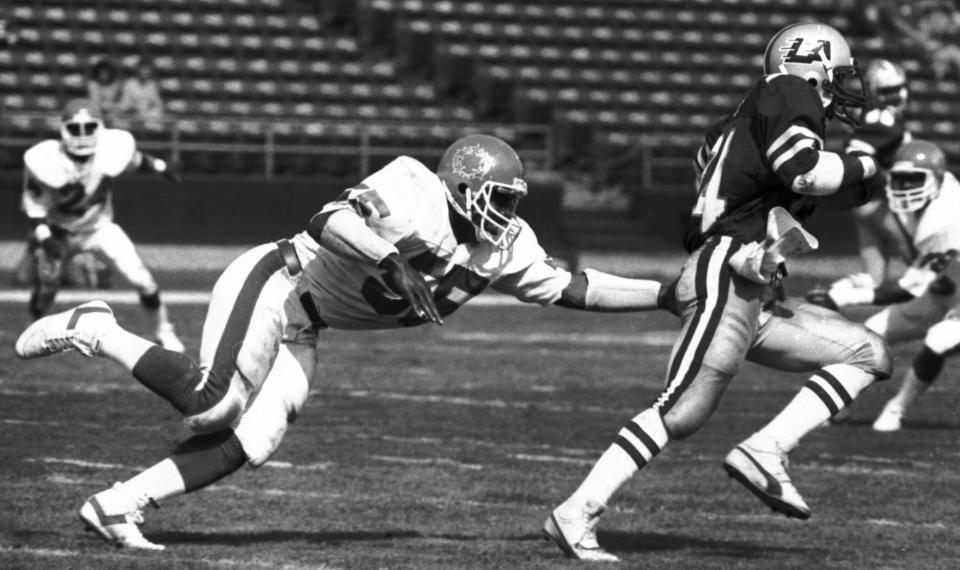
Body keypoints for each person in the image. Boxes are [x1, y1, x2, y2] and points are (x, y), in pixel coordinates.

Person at [15, 134, 674, 550]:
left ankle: (116, 506)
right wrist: (390, 258)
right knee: (210, 404)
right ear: (463, 184)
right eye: (497, 197)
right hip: (278, 278)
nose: (506, 213)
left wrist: (666, 294)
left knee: (255, 440)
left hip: (308, 319)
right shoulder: (412, 186)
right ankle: (97, 328)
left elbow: (574, 289)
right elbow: (326, 218)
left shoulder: (504, 245)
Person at [543, 22, 892, 562]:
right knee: (682, 410)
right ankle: (577, 511)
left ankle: (766, 449)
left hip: (757, 285)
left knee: (869, 353)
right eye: (838, 73)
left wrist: (864, 175)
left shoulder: (742, 120)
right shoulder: (787, 90)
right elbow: (803, 174)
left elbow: (788, 183)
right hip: (728, 272)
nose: (845, 85)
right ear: (812, 65)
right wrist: (866, 161)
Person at [807, 140, 960, 432]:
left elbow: (906, 288)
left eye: (914, 179)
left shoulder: (945, 220)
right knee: (870, 336)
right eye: (900, 178)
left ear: (936, 180)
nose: (905, 186)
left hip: (946, 294)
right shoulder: (939, 188)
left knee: (939, 338)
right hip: (944, 289)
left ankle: (897, 408)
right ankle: (835, 406)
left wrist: (842, 298)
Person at [20, 98, 184, 352]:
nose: (82, 135)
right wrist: (45, 237)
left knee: (142, 279)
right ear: (63, 129)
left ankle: (164, 331)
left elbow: (137, 160)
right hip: (59, 232)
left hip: (99, 228)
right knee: (46, 291)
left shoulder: (109, 149)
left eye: (88, 128)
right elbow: (35, 207)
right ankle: (30, 331)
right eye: (75, 129)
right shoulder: (45, 158)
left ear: (100, 128)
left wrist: (161, 166)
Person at [844, 59, 913, 284]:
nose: (896, 96)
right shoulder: (883, 122)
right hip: (882, 204)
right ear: (874, 92)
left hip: (865, 204)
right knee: (921, 260)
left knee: (873, 280)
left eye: (898, 88)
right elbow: (854, 159)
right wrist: (884, 180)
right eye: (888, 91)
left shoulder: (872, 117)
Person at [116, 60, 165, 131]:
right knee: (117, 117)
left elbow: (158, 103)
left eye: (146, 70)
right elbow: (124, 102)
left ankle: (151, 136)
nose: (144, 73)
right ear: (138, 71)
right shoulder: (129, 84)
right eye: (142, 70)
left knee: (155, 113)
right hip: (131, 113)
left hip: (146, 114)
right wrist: (130, 108)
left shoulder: (152, 85)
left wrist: (151, 107)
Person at [86, 57, 122, 123]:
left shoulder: (116, 84)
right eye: (101, 73)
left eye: (106, 73)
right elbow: (95, 102)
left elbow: (116, 101)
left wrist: (111, 109)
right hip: (96, 112)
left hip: (113, 112)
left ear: (110, 73)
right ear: (97, 73)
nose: (104, 75)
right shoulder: (93, 84)